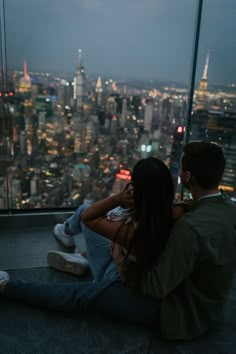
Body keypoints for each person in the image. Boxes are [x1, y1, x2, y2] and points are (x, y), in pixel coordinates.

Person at [1, 142, 236, 340]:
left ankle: (8, 287)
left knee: (84, 295)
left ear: (186, 176)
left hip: (180, 313)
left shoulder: (188, 227)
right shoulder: (223, 208)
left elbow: (155, 287)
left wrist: (121, 259)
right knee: (89, 216)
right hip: (205, 300)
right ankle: (85, 258)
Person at [0, 157, 175, 331]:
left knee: (71, 294)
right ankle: (79, 252)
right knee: (88, 213)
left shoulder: (131, 232)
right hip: (124, 266)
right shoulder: (175, 214)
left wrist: (118, 199)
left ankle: (6, 286)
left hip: (116, 279)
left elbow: (88, 217)